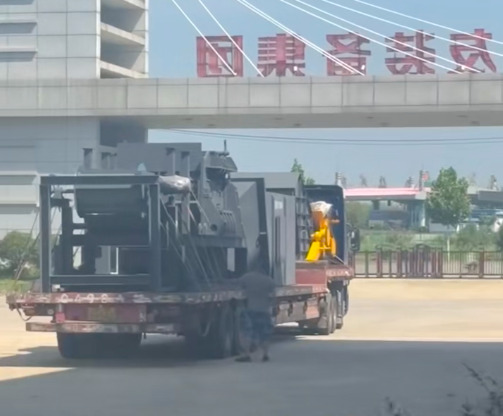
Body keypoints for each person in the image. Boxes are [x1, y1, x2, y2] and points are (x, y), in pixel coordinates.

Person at [235, 264, 276, 363]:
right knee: (264, 334)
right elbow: (273, 296)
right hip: (264, 310)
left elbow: (238, 289)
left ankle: (246, 354)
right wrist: (271, 306)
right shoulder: (269, 280)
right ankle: (265, 354)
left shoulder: (246, 278)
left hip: (249, 309)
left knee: (246, 333)